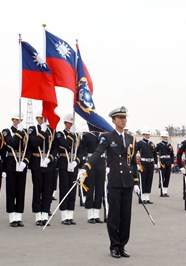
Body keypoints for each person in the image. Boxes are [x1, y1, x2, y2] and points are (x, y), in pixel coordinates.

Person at [78, 106, 139, 259]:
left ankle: (122, 245)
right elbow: (98, 153)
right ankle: (114, 246)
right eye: (120, 118)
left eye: (125, 118)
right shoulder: (107, 137)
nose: (123, 120)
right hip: (114, 182)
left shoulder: (131, 138)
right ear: (113, 120)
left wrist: (136, 180)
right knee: (113, 216)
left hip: (127, 182)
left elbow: (132, 162)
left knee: (126, 216)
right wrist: (86, 166)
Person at [27, 112, 57, 226]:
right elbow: (34, 143)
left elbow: (55, 148)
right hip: (37, 162)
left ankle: (45, 214)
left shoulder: (52, 131)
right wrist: (42, 132)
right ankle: (37, 215)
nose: (42, 120)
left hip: (48, 164)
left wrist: (49, 158)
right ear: (37, 118)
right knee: (37, 189)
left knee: (47, 190)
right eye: (40, 118)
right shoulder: (33, 129)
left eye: (44, 118)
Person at [2, 111, 30, 227]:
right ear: (12, 120)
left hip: (21, 163)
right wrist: (19, 132)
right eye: (15, 120)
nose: (17, 122)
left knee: (20, 191)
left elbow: (29, 149)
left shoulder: (26, 133)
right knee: (11, 190)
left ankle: (18, 216)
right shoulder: (6, 131)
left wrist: (25, 161)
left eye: (19, 120)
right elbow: (12, 143)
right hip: (11, 163)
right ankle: (12, 217)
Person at [56, 113, 80, 225]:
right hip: (64, 163)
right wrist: (71, 135)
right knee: (64, 189)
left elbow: (80, 151)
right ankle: (64, 215)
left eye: (72, 123)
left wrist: (77, 162)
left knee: (72, 190)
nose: (70, 124)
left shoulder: (76, 136)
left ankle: (70, 215)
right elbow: (64, 144)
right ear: (65, 123)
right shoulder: (60, 134)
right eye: (69, 123)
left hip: (73, 164)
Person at [78, 129, 106, 224]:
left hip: (101, 163)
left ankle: (96, 214)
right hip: (90, 163)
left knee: (99, 189)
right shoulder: (87, 136)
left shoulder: (103, 136)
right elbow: (82, 151)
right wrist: (82, 166)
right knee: (90, 188)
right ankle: (90, 215)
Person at [136, 128, 157, 204]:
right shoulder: (140, 143)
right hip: (143, 163)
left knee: (149, 180)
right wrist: (137, 164)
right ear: (143, 135)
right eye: (146, 134)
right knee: (143, 180)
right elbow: (135, 152)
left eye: (148, 134)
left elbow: (154, 153)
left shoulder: (151, 143)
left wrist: (156, 163)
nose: (147, 136)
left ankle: (147, 197)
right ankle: (142, 198)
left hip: (150, 163)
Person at [155, 130, 174, 197]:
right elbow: (155, 153)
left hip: (168, 160)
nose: (165, 138)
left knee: (167, 175)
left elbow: (172, 154)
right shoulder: (159, 145)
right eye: (164, 137)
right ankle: (162, 191)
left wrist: (172, 163)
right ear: (161, 137)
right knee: (162, 175)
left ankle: (165, 190)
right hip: (162, 160)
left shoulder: (170, 145)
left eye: (166, 137)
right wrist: (157, 161)